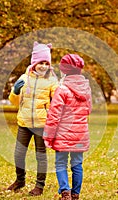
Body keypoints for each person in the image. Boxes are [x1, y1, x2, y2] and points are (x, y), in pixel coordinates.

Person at [8, 41, 58, 196]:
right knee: (18, 154)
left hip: (41, 124)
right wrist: (15, 91)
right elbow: (15, 102)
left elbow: (57, 102)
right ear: (34, 63)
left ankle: (39, 185)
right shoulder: (24, 78)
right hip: (24, 122)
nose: (43, 66)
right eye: (40, 62)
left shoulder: (52, 81)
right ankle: (20, 180)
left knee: (40, 155)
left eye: (46, 63)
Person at [43, 54, 92, 200]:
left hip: (62, 134)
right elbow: (88, 110)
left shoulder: (62, 89)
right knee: (77, 164)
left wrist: (48, 136)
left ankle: (65, 192)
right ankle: (75, 194)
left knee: (60, 163)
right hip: (80, 134)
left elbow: (54, 115)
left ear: (64, 70)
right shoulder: (86, 89)